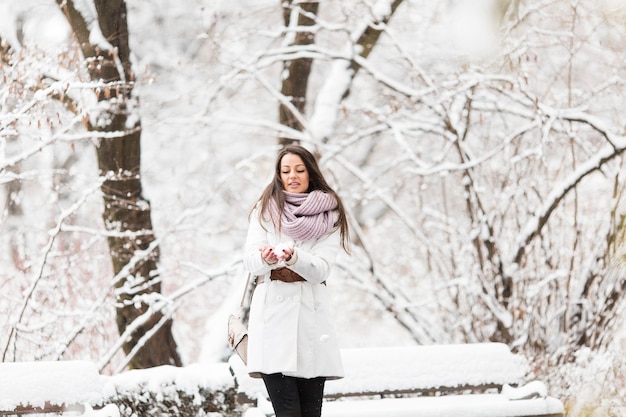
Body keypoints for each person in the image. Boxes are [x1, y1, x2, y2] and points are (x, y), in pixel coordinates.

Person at [243, 145, 350, 417]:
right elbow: (250, 261)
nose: (293, 176)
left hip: (311, 326)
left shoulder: (331, 214)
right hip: (272, 323)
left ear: (311, 173)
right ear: (278, 175)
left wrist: (294, 258)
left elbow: (321, 270)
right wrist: (266, 259)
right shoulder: (265, 210)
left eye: (300, 170)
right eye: (286, 170)